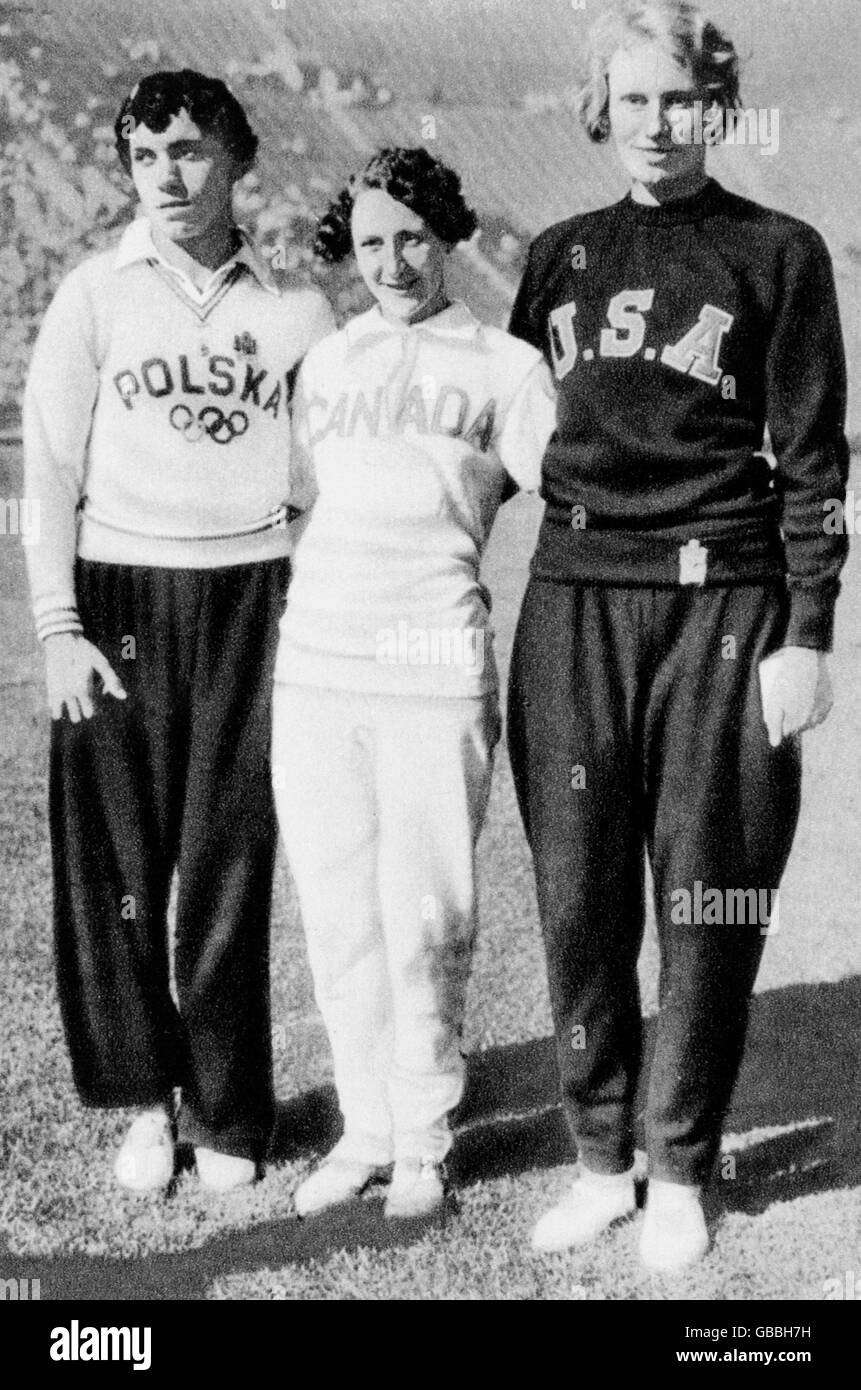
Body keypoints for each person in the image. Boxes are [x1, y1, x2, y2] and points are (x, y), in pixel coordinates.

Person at [506, 0, 848, 1272]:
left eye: (680, 101)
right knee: (578, 894)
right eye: (632, 100)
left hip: (723, 602)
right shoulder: (557, 257)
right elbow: (499, 436)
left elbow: (814, 460)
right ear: (603, 105)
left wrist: (806, 632)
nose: (656, 125)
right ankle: (602, 1158)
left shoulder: (779, 252)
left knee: (710, 895)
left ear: (716, 106)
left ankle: (683, 1165)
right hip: (574, 598)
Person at [23, 69, 334, 1194]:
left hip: (252, 598)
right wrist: (59, 628)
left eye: (192, 151)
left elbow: (319, 481)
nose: (168, 174)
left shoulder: (296, 307)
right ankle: (143, 1103)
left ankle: (229, 1106)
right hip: (117, 601)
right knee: (113, 864)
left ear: (237, 160)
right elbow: (49, 476)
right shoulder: (92, 296)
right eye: (147, 156)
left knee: (227, 859)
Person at [271, 147, 557, 1219]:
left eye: (413, 237)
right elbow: (293, 504)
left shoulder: (504, 365)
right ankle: (366, 1125)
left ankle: (426, 1135)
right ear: (352, 247)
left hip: (434, 656)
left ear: (446, 237)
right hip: (318, 665)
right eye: (375, 240)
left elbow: (575, 494)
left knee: (426, 910)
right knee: (339, 912)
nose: (394, 260)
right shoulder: (330, 362)